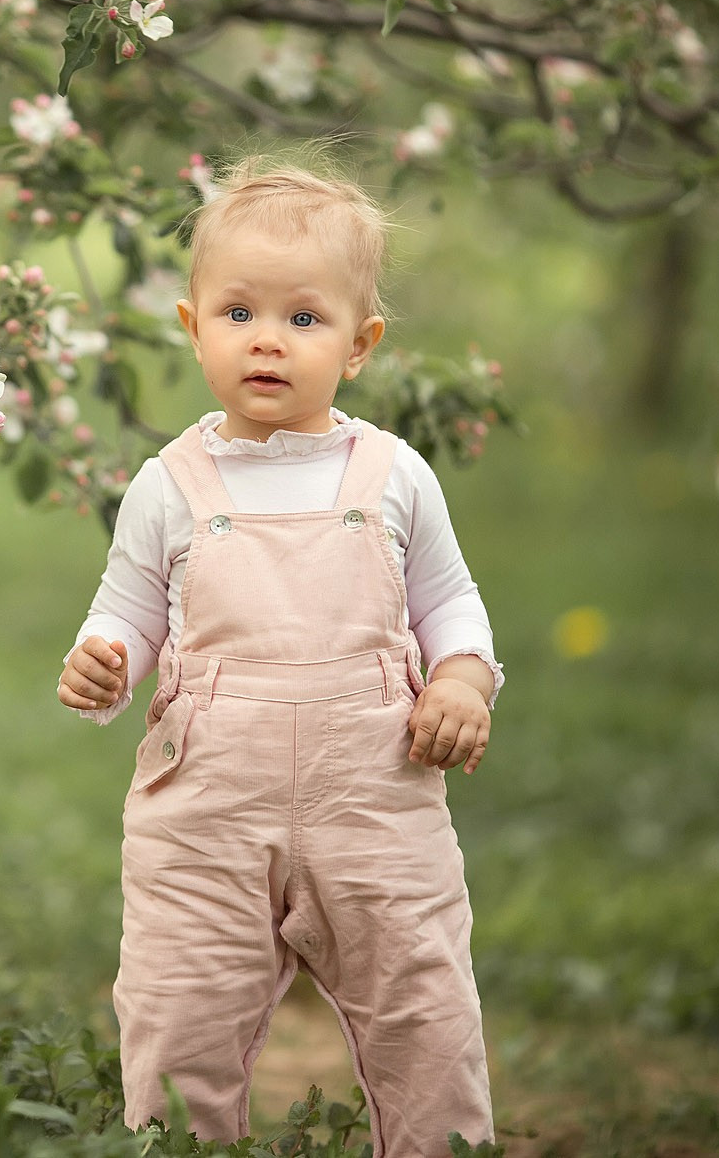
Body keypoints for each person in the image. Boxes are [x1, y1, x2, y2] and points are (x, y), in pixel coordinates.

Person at [57, 151, 502, 1155]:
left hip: (375, 805)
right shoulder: (168, 484)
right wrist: (105, 659)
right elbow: (127, 608)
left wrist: (463, 679)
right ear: (191, 325)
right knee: (178, 1014)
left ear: (357, 343)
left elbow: (450, 604)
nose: (267, 340)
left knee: (422, 1012)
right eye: (238, 313)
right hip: (206, 819)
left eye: (303, 318)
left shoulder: (392, 475)